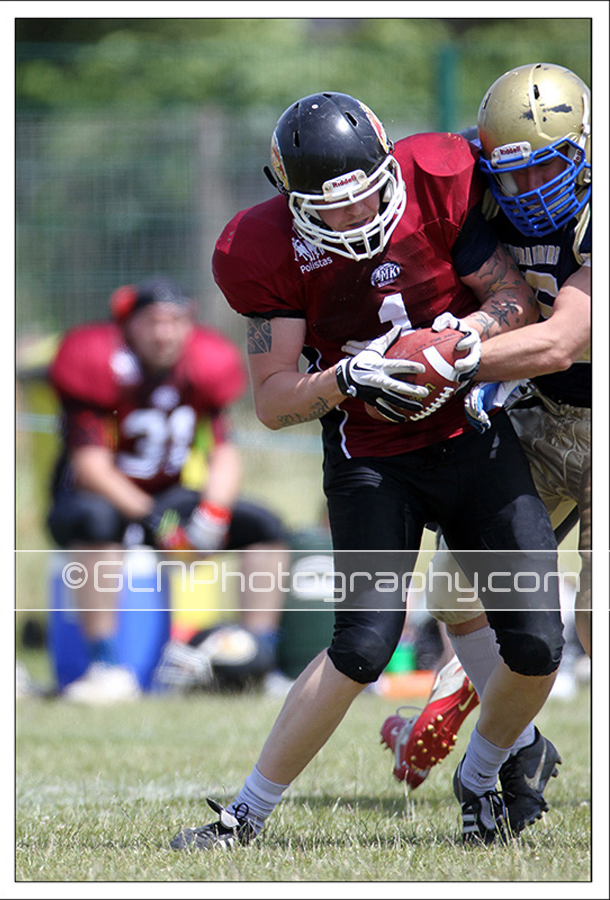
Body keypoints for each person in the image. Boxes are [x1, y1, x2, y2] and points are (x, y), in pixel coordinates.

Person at [169, 91, 564, 850]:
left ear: (389, 168)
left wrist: (466, 339)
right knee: (361, 644)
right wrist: (345, 379)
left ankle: (482, 774)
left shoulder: (437, 180)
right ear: (292, 200)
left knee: (538, 642)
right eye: (330, 207)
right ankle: (243, 815)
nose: (353, 217)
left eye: (364, 196)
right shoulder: (263, 247)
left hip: (473, 435)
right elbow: (272, 400)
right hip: (372, 456)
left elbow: (511, 295)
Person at [381, 63, 591, 830]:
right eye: (513, 169)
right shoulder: (476, 190)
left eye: (546, 164)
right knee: (456, 590)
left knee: (595, 619)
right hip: (542, 410)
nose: (528, 186)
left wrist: (444, 358)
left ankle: (481, 741)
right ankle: (515, 745)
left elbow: (562, 339)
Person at [47, 277, 290, 704]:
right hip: (101, 499)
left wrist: (213, 515)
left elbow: (224, 454)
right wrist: (156, 519)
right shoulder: (98, 362)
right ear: (129, 325)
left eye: (174, 321)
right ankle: (105, 665)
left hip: (167, 498)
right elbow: (89, 467)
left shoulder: (202, 368)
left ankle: (257, 660)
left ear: (189, 325)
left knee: (265, 528)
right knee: (97, 521)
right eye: (152, 322)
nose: (164, 333)